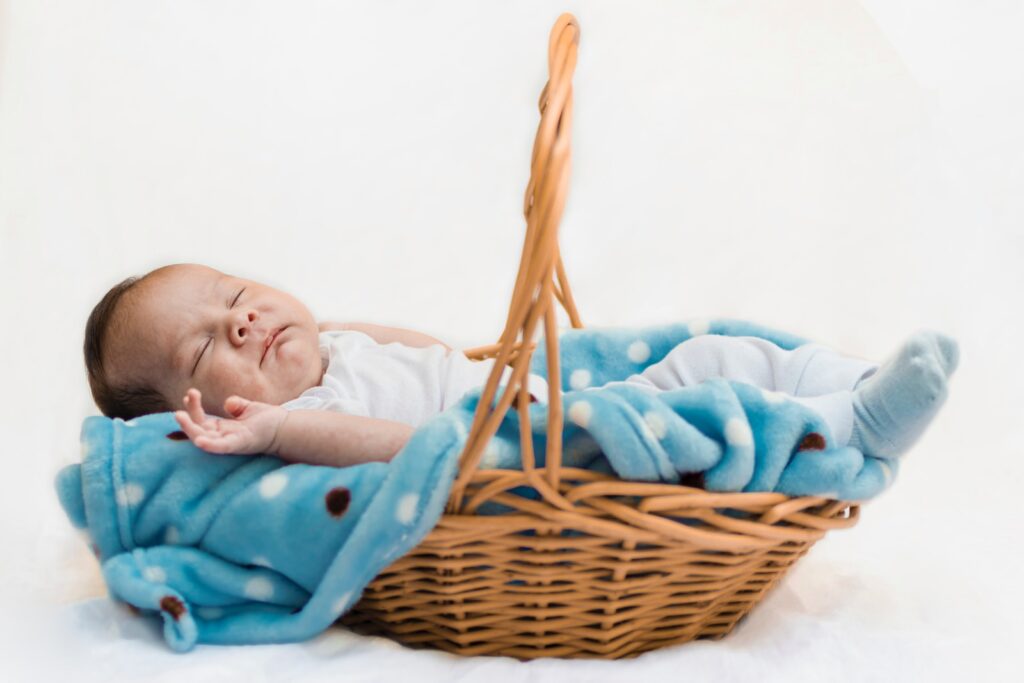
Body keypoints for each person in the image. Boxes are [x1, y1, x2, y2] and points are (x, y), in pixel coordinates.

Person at [84, 263, 959, 468]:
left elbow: (440, 353)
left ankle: (844, 382)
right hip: (541, 456)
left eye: (237, 291)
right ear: (187, 417)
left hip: (562, 399)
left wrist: (323, 324)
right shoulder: (302, 423)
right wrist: (277, 427)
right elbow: (395, 444)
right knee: (709, 405)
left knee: (709, 356)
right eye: (203, 346)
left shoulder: (337, 352)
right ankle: (854, 430)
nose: (241, 319)